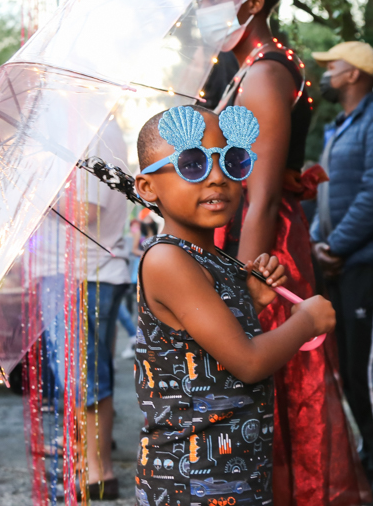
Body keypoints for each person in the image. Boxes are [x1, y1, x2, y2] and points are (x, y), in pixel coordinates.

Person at [215, 0, 370, 504]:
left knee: (275, 393)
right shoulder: (246, 70)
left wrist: (240, 287)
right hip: (252, 243)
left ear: (252, 2)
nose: (202, 4)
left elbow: (260, 197)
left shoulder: (264, 73)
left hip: (264, 253)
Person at [133, 104, 336, 506]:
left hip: (234, 470)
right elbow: (247, 362)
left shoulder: (211, 258)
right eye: (191, 164)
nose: (217, 177)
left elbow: (207, 351)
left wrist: (253, 303)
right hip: (191, 482)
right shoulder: (168, 261)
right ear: (147, 188)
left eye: (231, 160)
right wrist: (306, 322)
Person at [309, 41, 373, 504]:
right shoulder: (338, 126)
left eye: (334, 66)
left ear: (356, 74)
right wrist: (316, 242)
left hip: (372, 266)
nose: (326, 73)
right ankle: (372, 466)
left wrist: (337, 245)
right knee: (349, 373)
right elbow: (328, 197)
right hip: (341, 265)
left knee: (368, 375)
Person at [79, 116, 133, 500]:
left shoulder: (94, 129)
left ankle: (98, 470)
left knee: (88, 375)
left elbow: (86, 210)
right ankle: (91, 461)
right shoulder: (90, 127)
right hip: (84, 271)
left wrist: (34, 193)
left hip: (89, 271)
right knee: (85, 373)